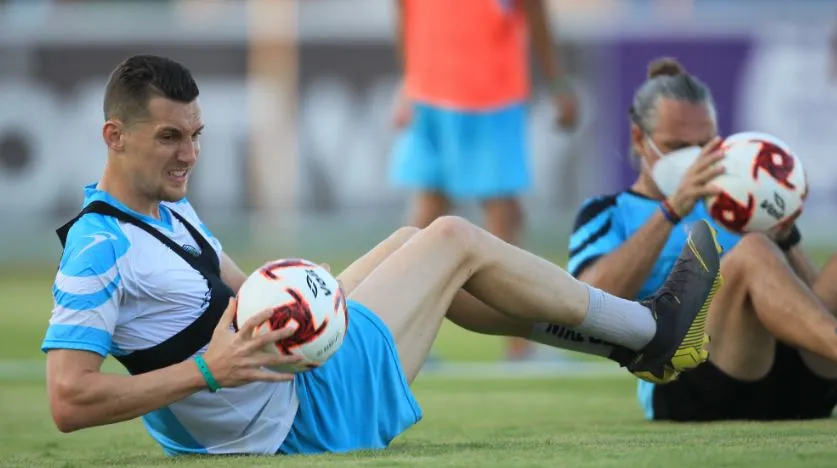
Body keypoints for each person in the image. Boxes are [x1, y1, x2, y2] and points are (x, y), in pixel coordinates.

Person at [43, 54, 719, 457]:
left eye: (196, 135)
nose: (189, 154)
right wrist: (207, 370)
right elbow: (69, 401)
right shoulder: (97, 248)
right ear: (114, 136)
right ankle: (647, 328)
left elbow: (245, 292)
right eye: (169, 137)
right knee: (451, 237)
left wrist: (304, 291)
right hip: (299, 423)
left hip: (286, 393)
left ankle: (629, 346)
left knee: (409, 246)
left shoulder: (167, 209)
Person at [568, 56, 837, 421]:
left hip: (786, 378)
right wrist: (671, 210)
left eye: (705, 145)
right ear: (640, 139)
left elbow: (813, 308)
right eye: (678, 147)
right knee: (753, 251)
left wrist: (789, 239)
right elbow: (586, 304)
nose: (694, 161)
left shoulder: (736, 202)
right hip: (684, 379)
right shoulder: (608, 212)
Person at [388, 0, 580, 360]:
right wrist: (558, 82)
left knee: (427, 214)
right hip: (488, 90)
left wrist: (410, 79)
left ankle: (394, 337)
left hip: (432, 86)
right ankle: (521, 347)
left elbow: (402, 13)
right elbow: (535, 12)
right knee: (501, 217)